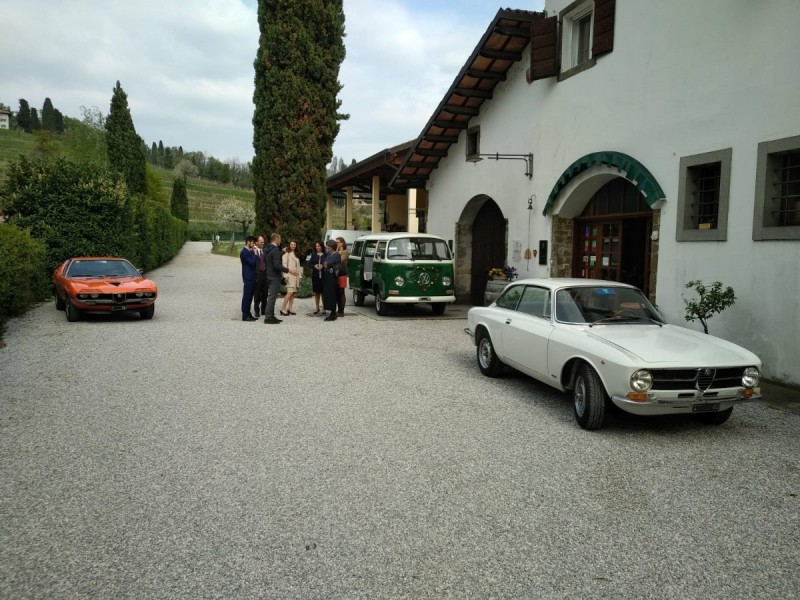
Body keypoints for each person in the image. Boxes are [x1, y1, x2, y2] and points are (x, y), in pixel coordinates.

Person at [264, 232, 298, 324]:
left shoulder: (267, 248)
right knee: (272, 297)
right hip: (275, 276)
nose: (280, 241)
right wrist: (289, 270)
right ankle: (268, 317)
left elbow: (272, 258)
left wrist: (282, 252)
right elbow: (277, 265)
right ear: (276, 239)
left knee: (272, 296)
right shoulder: (275, 250)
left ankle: (270, 315)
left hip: (269, 275)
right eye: (280, 239)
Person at [279, 240, 302, 316]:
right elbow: (284, 266)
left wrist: (300, 276)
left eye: (294, 245)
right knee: (290, 292)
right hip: (289, 276)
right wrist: (285, 276)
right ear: (289, 245)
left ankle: (290, 309)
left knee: (293, 293)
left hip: (296, 276)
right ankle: (283, 308)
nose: (293, 246)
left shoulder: (296, 254)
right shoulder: (286, 254)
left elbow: (298, 266)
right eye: (291, 244)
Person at [239, 235, 258, 321]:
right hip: (248, 277)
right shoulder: (244, 252)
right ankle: (245, 315)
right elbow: (252, 262)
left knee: (250, 296)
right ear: (248, 242)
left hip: (252, 276)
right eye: (253, 242)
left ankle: (248, 313)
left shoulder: (249, 251)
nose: (254, 244)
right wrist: (256, 253)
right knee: (247, 296)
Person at [322, 239, 341, 321]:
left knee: (332, 294)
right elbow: (325, 263)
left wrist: (326, 264)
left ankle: (333, 313)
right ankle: (330, 311)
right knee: (327, 293)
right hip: (327, 276)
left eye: (329, 247)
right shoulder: (328, 254)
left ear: (333, 247)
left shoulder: (336, 254)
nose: (328, 249)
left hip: (332, 277)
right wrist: (326, 264)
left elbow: (329, 263)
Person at [308, 241, 325, 314]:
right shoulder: (313, 254)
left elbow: (328, 263)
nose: (317, 247)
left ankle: (324, 308)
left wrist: (323, 266)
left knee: (323, 293)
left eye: (319, 246)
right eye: (316, 246)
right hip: (315, 276)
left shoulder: (326, 255)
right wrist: (314, 266)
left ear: (321, 246)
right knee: (316, 292)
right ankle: (317, 308)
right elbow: (309, 264)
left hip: (324, 276)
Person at [253, 234, 268, 318]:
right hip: (257, 276)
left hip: (265, 275)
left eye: (263, 242)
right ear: (256, 242)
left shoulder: (265, 251)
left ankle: (263, 310)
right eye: (261, 242)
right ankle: (256, 311)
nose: (262, 243)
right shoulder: (253, 251)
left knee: (265, 294)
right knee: (257, 294)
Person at [335, 237, 349, 317]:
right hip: (336, 274)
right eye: (336, 242)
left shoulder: (345, 252)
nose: (337, 243)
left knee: (341, 292)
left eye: (338, 242)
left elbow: (339, 260)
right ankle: (338, 310)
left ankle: (341, 311)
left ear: (342, 243)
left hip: (342, 273)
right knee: (337, 292)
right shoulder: (337, 252)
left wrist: (337, 251)